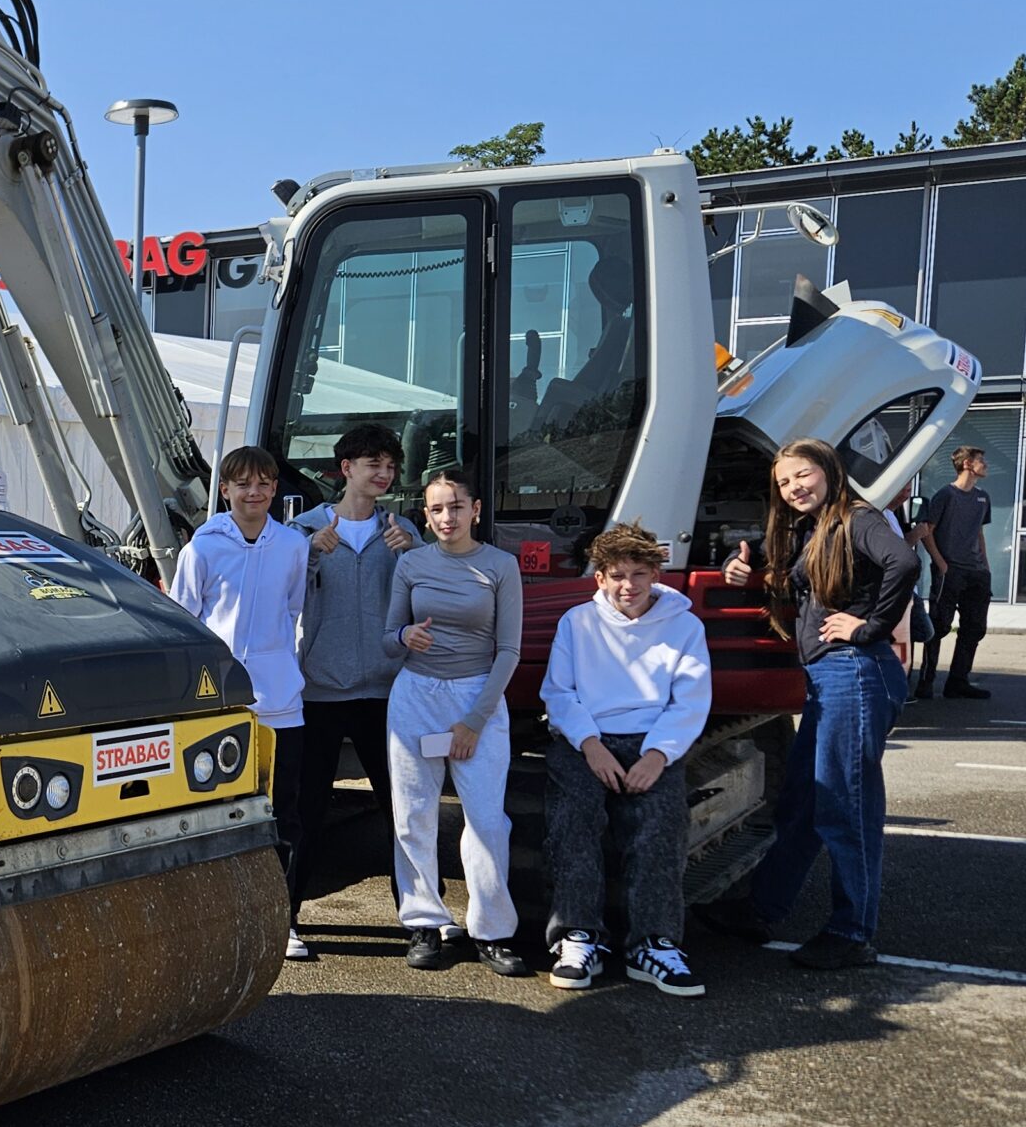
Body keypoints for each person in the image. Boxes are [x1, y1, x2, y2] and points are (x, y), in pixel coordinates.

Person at [705, 438, 918, 968]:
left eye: (803, 475)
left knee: (846, 808)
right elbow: (789, 576)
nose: (794, 487)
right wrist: (743, 566)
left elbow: (905, 564)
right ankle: (762, 909)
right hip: (830, 677)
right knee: (802, 800)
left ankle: (852, 934)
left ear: (828, 470)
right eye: (783, 481)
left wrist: (870, 627)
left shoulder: (857, 519)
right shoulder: (813, 528)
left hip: (857, 673)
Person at [540, 522, 713, 996]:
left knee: (659, 828)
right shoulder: (577, 623)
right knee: (574, 822)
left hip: (652, 741)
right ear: (599, 578)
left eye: (639, 573)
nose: (628, 585)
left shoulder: (684, 626)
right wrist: (590, 745)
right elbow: (560, 692)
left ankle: (653, 944)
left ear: (657, 574)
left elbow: (690, 700)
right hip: (585, 741)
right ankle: (577, 936)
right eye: (616, 574)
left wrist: (658, 754)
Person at [381, 468, 531, 976]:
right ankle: (424, 922)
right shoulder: (411, 563)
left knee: (487, 819)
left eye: (456, 506)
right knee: (413, 815)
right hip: (415, 696)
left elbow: (508, 651)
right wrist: (405, 638)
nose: (447, 517)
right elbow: (387, 637)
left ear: (476, 510)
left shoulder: (500, 566)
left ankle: (492, 930)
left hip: (477, 696)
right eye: (437, 509)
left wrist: (473, 721)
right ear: (426, 515)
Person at [170, 445, 312, 960]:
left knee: (284, 814)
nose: (255, 493)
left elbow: (294, 611)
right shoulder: (202, 549)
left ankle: (285, 920)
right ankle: (212, 922)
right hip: (220, 706)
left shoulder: (293, 547)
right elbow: (184, 624)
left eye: (264, 483)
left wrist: (283, 668)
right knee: (215, 813)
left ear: (275, 489)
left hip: (281, 702)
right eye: (243, 484)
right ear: (224, 490)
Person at [293, 425, 417, 913]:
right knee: (305, 809)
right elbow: (283, 601)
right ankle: (288, 918)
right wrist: (309, 557)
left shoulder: (404, 531)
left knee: (403, 807)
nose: (384, 474)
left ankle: (419, 916)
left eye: (390, 466)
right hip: (319, 691)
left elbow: (426, 595)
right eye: (374, 465)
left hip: (387, 690)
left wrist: (412, 553)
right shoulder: (303, 531)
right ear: (346, 469)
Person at [913, 446, 993, 700]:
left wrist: (986, 566)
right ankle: (926, 682)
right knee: (938, 626)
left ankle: (958, 682)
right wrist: (941, 563)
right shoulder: (945, 495)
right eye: (982, 461)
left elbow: (978, 532)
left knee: (974, 627)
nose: (986, 465)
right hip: (950, 570)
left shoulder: (983, 497)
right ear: (968, 464)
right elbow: (928, 531)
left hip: (977, 572)